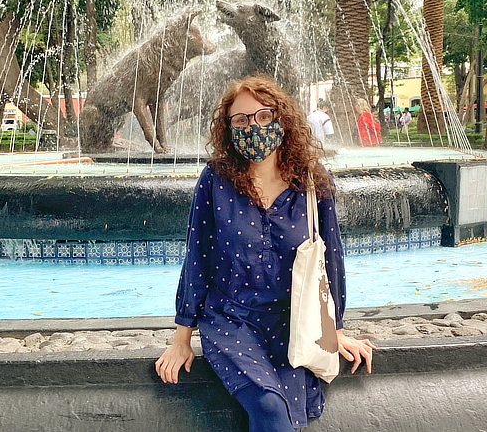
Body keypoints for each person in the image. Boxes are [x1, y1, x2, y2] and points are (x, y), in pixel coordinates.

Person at [155, 75, 375, 431]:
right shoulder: (215, 180)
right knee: (270, 406)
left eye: (263, 116)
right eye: (241, 120)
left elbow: (330, 259)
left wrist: (334, 331)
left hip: (292, 323)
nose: (253, 127)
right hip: (231, 320)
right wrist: (181, 339)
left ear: (281, 119)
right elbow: (197, 258)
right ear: (228, 128)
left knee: (290, 412)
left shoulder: (311, 181)